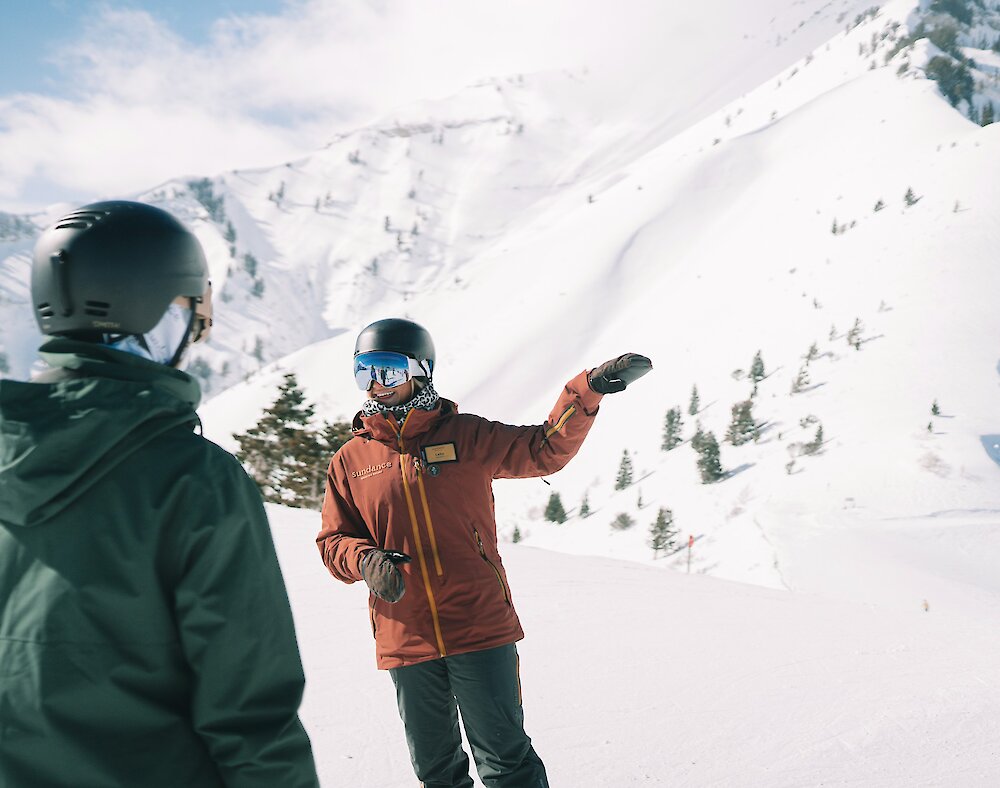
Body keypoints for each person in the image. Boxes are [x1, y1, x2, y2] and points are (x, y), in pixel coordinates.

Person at [0, 201, 320, 788]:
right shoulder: (191, 482)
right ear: (153, 309)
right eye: (190, 311)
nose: (197, 332)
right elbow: (252, 714)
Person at [317, 317, 651, 787]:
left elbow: (543, 449)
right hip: (404, 633)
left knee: (506, 763)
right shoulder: (350, 460)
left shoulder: (467, 436)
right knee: (436, 772)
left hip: (478, 623)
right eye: (363, 371)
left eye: (388, 370)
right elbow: (333, 542)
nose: (375, 384)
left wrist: (588, 390)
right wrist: (365, 560)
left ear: (420, 370)